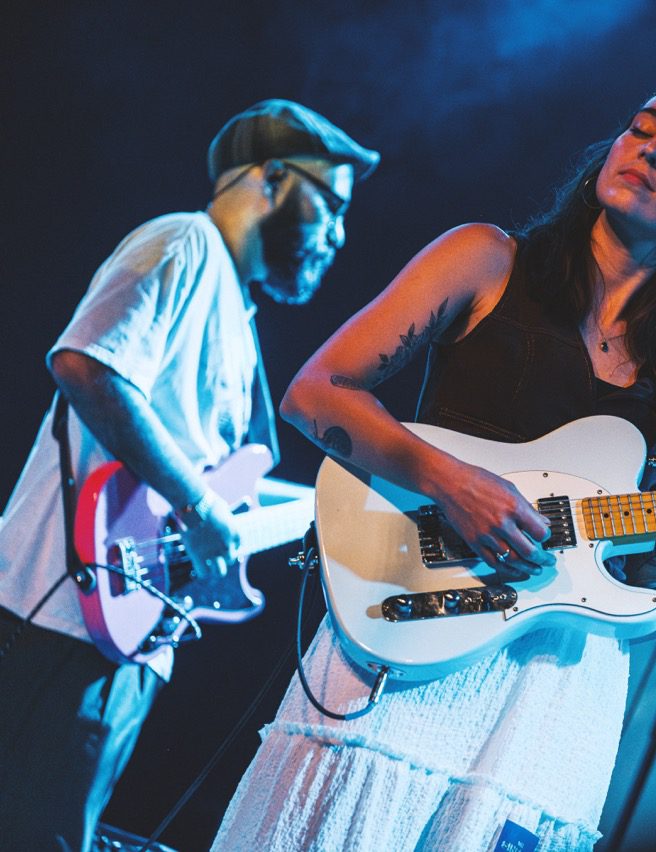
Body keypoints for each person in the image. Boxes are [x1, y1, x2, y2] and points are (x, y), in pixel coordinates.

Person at [213, 78, 656, 852]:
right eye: (641, 127)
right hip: (407, 629)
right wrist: (448, 481)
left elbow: (632, 604)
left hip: (547, 701)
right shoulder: (485, 259)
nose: (648, 150)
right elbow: (316, 392)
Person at [0, 99, 379, 851]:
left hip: (124, 636)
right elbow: (86, 363)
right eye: (330, 204)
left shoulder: (237, 315)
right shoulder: (184, 243)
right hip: (57, 614)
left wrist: (340, 510)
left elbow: (220, 485)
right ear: (270, 177)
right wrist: (201, 505)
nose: (338, 235)